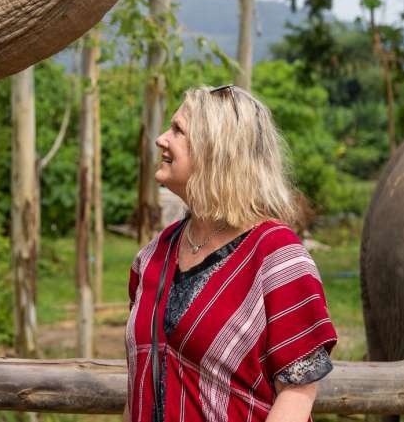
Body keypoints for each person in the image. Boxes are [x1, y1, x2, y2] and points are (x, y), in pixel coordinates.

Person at [123, 85, 336, 422]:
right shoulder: (151, 257)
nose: (161, 138)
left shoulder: (278, 258)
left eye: (178, 130)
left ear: (216, 150)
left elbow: (297, 393)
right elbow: (139, 388)